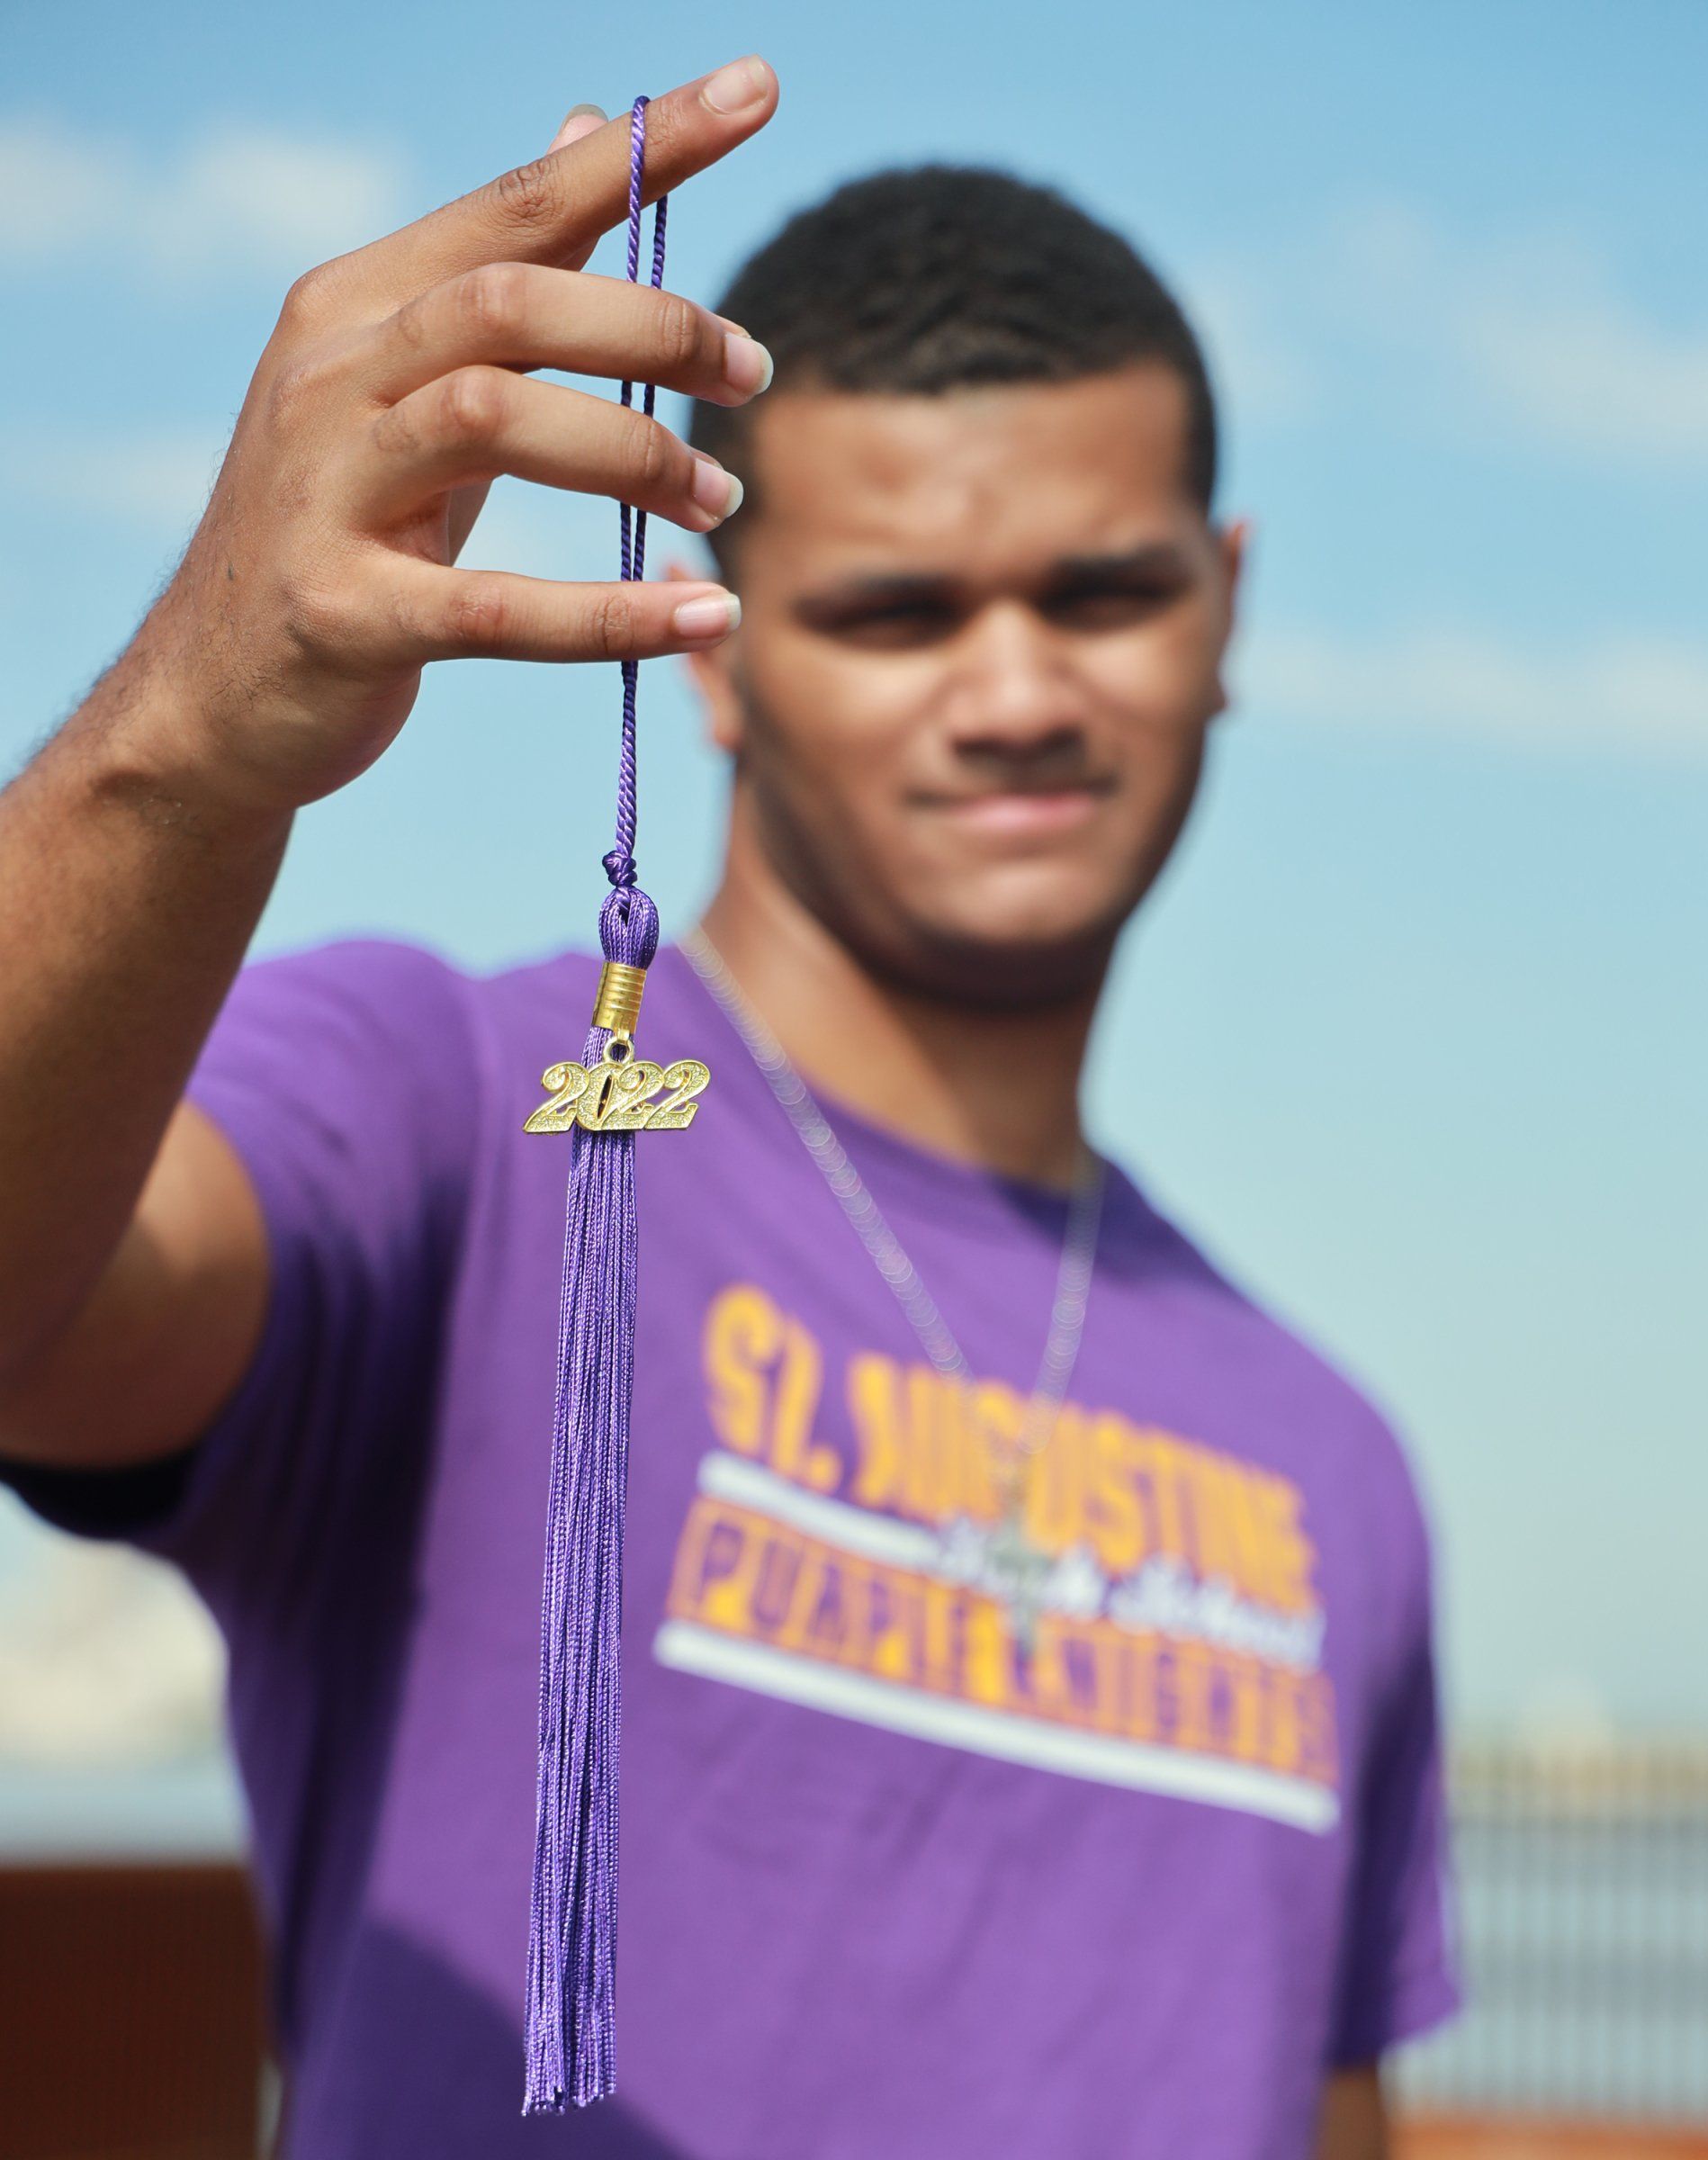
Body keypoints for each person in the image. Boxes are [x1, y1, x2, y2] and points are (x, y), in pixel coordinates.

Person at [0, 53, 1460, 2159]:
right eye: (895, 610)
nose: (1020, 688)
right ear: (714, 648)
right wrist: (175, 753)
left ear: (1225, 601)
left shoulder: (1333, 1466)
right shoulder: (455, 1116)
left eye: (1104, 591)